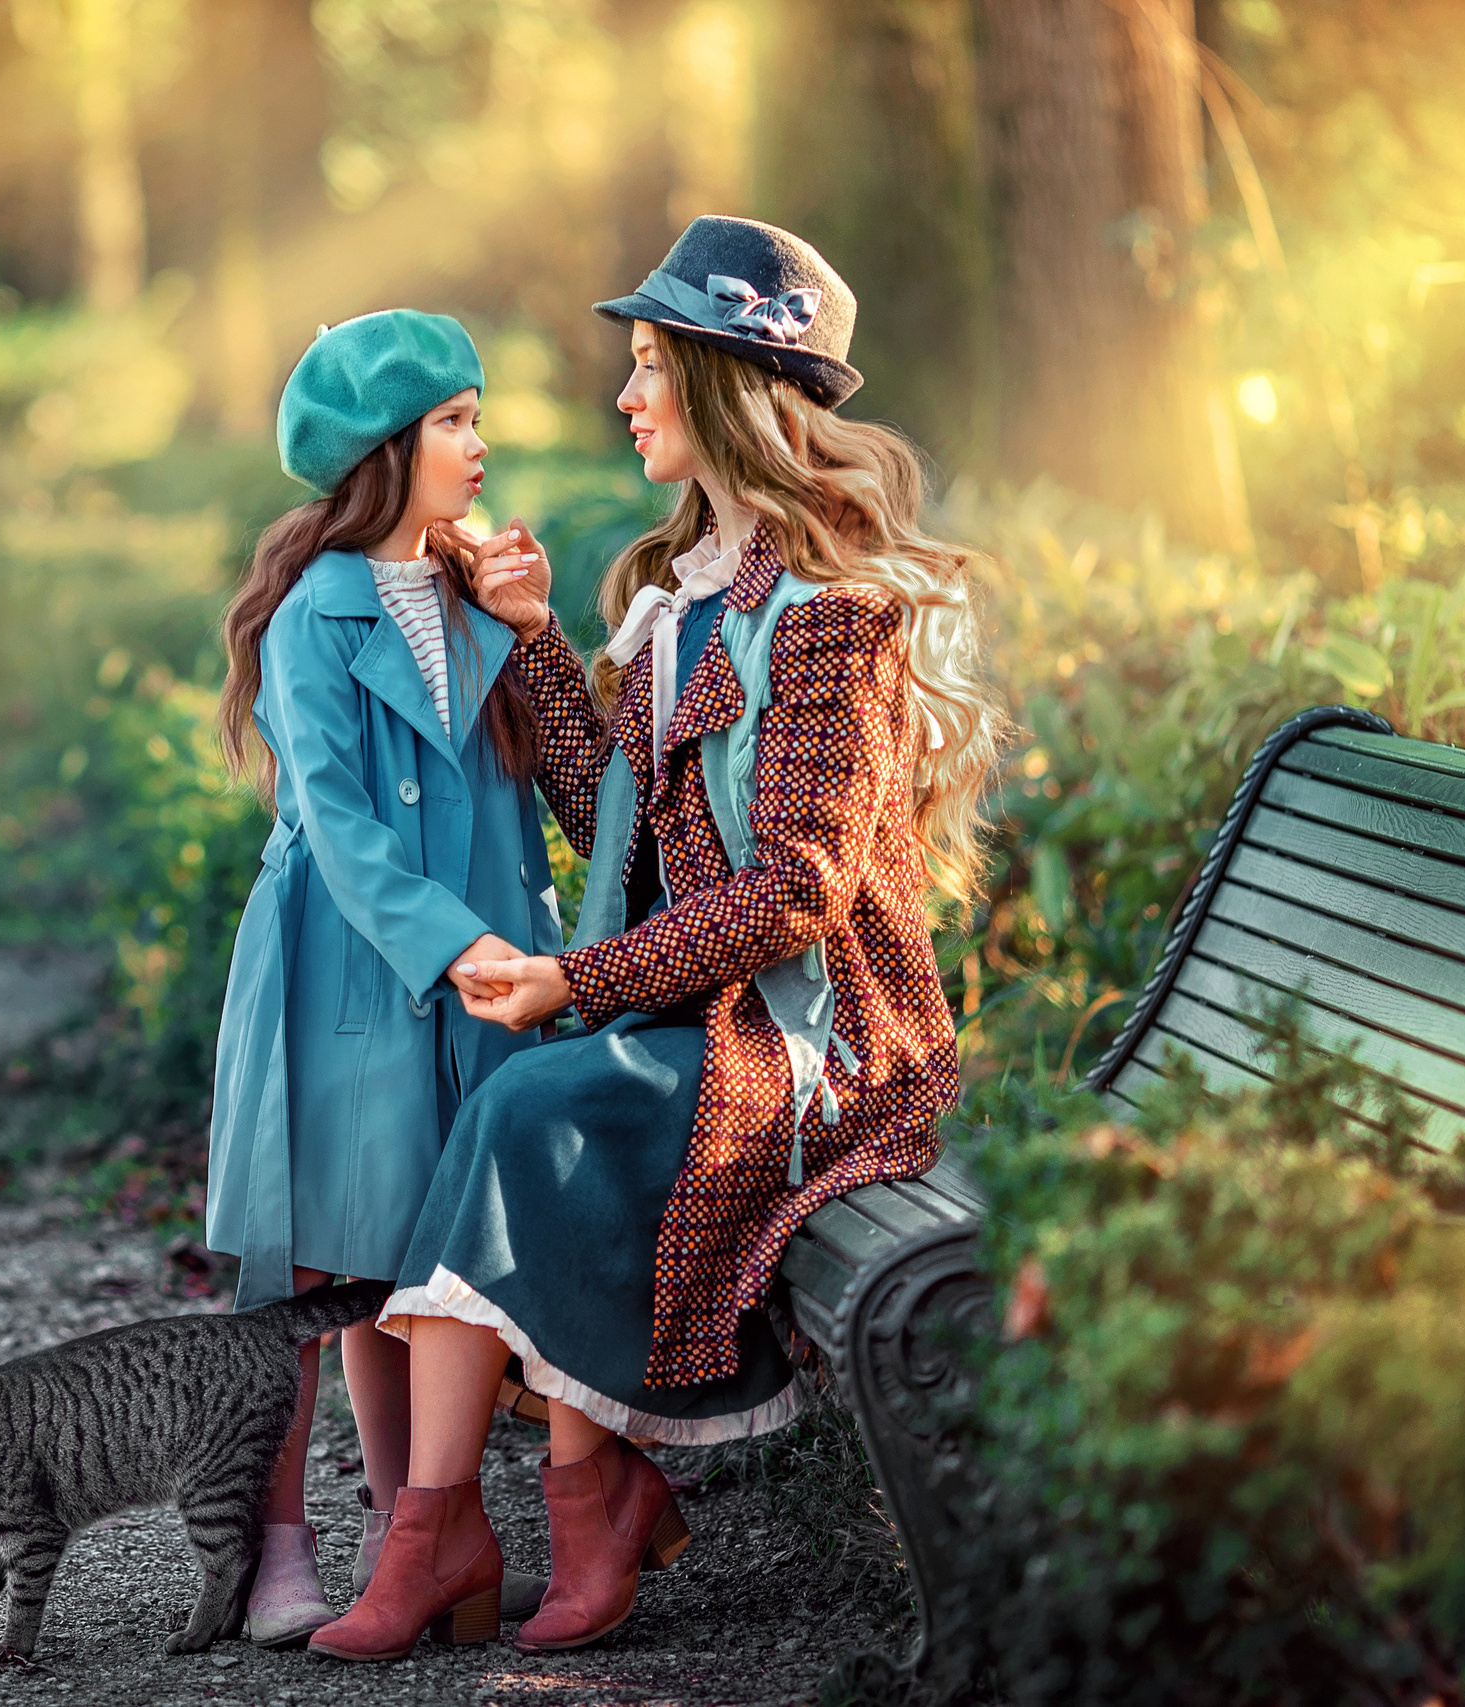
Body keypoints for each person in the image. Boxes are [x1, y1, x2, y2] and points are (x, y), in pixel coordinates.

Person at [308, 217, 1007, 1663]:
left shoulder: (831, 618)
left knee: (538, 1094)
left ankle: (539, 1511)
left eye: (647, 368)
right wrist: (535, 634)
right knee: (529, 1096)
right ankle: (492, 1519)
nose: (625, 399)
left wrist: (574, 979)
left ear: (724, 387)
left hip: (822, 1039)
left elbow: (798, 891)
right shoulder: (686, 602)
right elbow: (605, 817)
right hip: (702, 1016)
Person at [206, 309, 564, 1646]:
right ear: (387, 448)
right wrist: (453, 940)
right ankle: (279, 1548)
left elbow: (542, 791)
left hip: (475, 968)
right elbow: (340, 828)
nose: (482, 444)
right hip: (341, 964)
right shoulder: (315, 616)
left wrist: (532, 629)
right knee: (317, 1265)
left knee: (414, 1251)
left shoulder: (480, 594)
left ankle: (415, 1538)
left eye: (478, 416)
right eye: (456, 421)